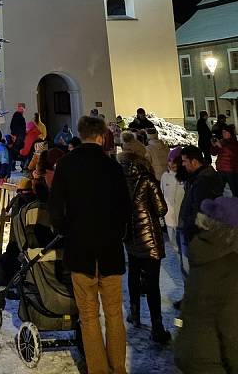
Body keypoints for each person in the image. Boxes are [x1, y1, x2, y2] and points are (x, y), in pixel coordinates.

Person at [49, 115, 131, 374]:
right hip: (110, 250)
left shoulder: (66, 165)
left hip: (80, 249)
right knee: (115, 314)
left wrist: (64, 230)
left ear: (81, 134)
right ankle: (118, 368)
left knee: (88, 316)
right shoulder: (113, 167)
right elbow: (125, 208)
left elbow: (55, 208)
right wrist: (118, 232)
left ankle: (98, 370)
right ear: (101, 136)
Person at [174, 196, 238, 374]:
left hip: (188, 352)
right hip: (211, 363)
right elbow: (232, 333)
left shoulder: (207, 254)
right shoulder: (230, 268)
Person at [119, 151, 171, 343]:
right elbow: (161, 209)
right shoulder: (147, 180)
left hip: (130, 236)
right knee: (152, 283)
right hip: (148, 237)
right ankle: (157, 326)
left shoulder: (121, 181)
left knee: (133, 275)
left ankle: (134, 313)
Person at [178, 145, 224, 278]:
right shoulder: (197, 178)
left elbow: (201, 212)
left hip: (196, 236)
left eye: (185, 161)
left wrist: (190, 231)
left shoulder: (203, 182)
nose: (183, 165)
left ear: (194, 162)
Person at [160, 147, 185, 259]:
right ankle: (178, 257)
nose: (171, 164)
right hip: (169, 217)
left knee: (183, 243)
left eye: (175, 161)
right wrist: (161, 216)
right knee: (173, 242)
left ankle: (184, 260)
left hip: (182, 217)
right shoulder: (165, 176)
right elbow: (161, 195)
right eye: (170, 161)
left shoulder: (185, 178)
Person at [212, 124, 238, 196]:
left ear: (230, 133)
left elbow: (232, 153)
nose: (224, 134)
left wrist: (221, 147)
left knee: (235, 190)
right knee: (218, 191)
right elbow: (213, 153)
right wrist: (214, 146)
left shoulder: (234, 142)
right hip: (221, 169)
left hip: (231, 170)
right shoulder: (222, 141)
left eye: (226, 132)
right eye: (223, 132)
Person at [9, 103, 26, 169]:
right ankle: (15, 166)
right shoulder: (18, 116)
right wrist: (14, 135)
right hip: (18, 136)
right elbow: (13, 126)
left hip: (19, 136)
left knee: (16, 150)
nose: (22, 109)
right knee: (16, 150)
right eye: (21, 108)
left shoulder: (18, 116)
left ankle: (15, 166)